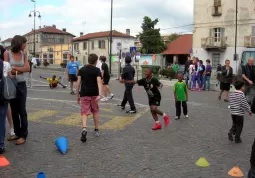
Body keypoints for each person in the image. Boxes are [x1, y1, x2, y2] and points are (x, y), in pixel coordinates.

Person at [4, 35, 30, 145]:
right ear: (19, 43)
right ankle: (17, 133)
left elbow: (28, 68)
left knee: (22, 110)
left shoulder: (24, 54)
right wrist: (19, 70)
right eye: (24, 43)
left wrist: (14, 68)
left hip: (21, 85)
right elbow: (6, 70)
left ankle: (24, 134)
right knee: (14, 110)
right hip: (11, 85)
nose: (25, 45)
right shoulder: (7, 53)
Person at [76, 53, 103, 142]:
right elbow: (99, 82)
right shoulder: (97, 70)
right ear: (96, 61)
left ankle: (84, 129)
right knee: (95, 111)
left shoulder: (82, 70)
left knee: (84, 112)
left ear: (88, 60)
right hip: (94, 94)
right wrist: (100, 94)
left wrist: (77, 95)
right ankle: (96, 130)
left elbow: (78, 83)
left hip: (84, 93)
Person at [0, 45, 15, 137]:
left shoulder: (4, 51)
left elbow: (6, 63)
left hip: (3, 81)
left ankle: (11, 127)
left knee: (6, 108)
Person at [0, 59, 12, 154]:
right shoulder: (6, 64)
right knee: (1, 121)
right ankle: (1, 145)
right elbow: (10, 79)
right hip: (2, 97)